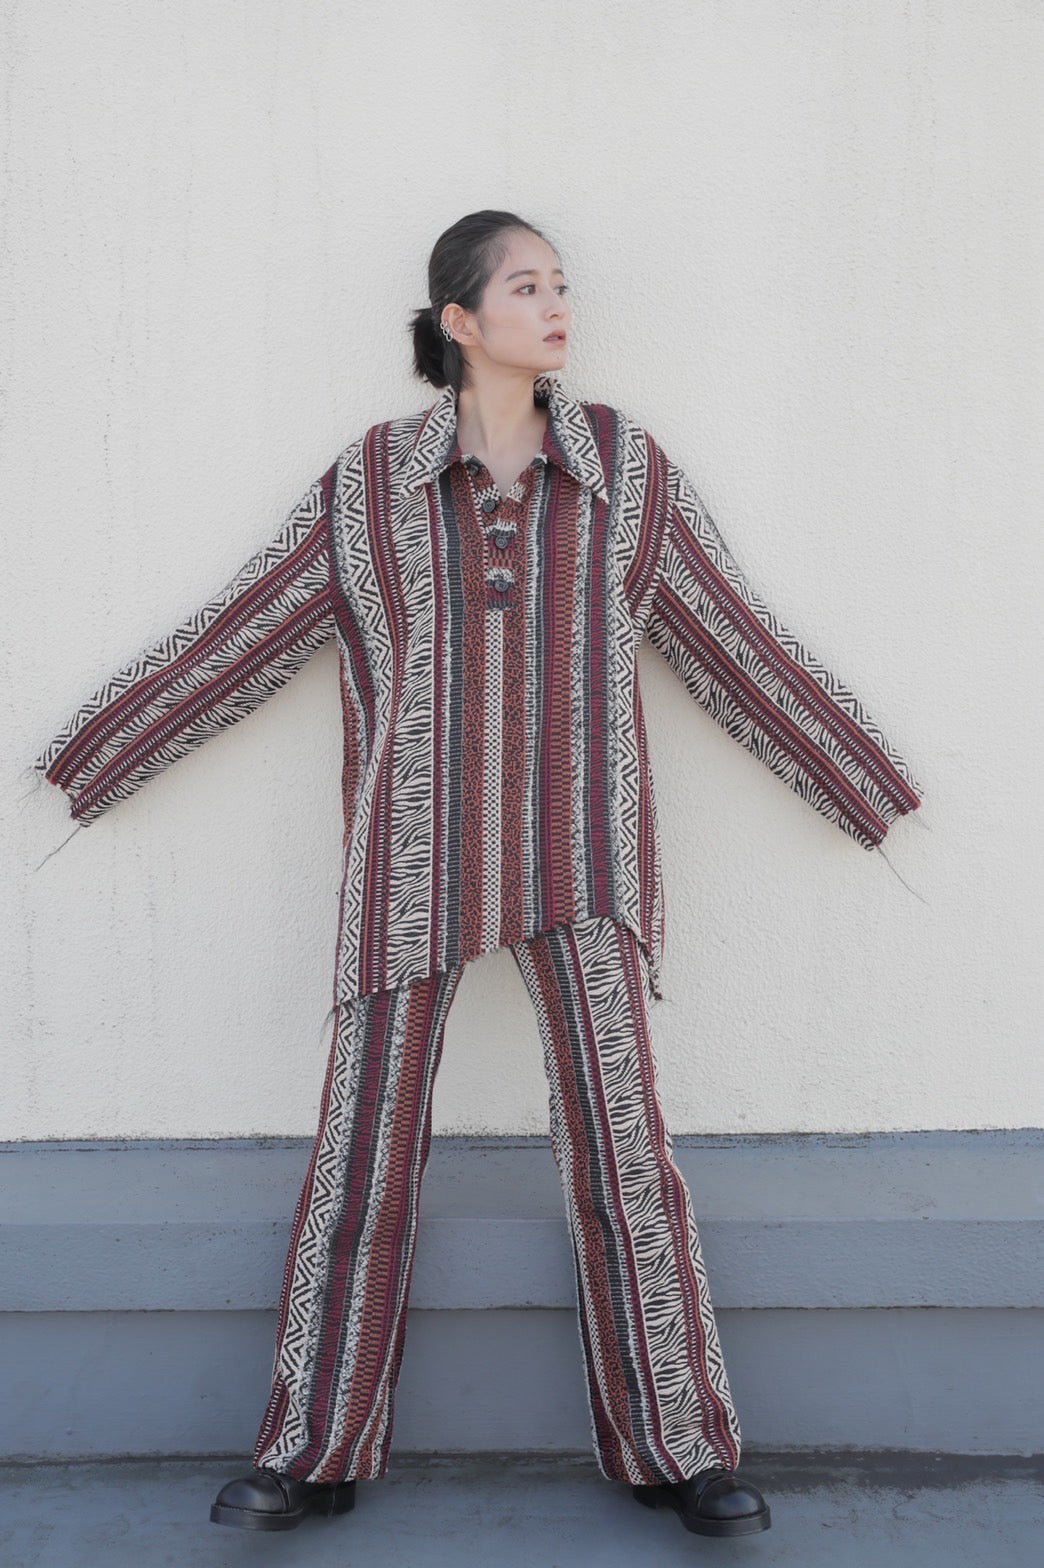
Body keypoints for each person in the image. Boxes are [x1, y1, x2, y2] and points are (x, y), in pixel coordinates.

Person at [34, 209, 922, 1539]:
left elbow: (729, 635)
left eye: (563, 284)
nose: (557, 305)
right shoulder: (373, 483)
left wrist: (862, 782)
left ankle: (682, 1450)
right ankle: (311, 1450)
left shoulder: (623, 469)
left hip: (585, 851)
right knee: (363, 1151)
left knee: (625, 1151)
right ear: (459, 320)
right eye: (527, 285)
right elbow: (252, 625)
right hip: (415, 855)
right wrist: (92, 760)